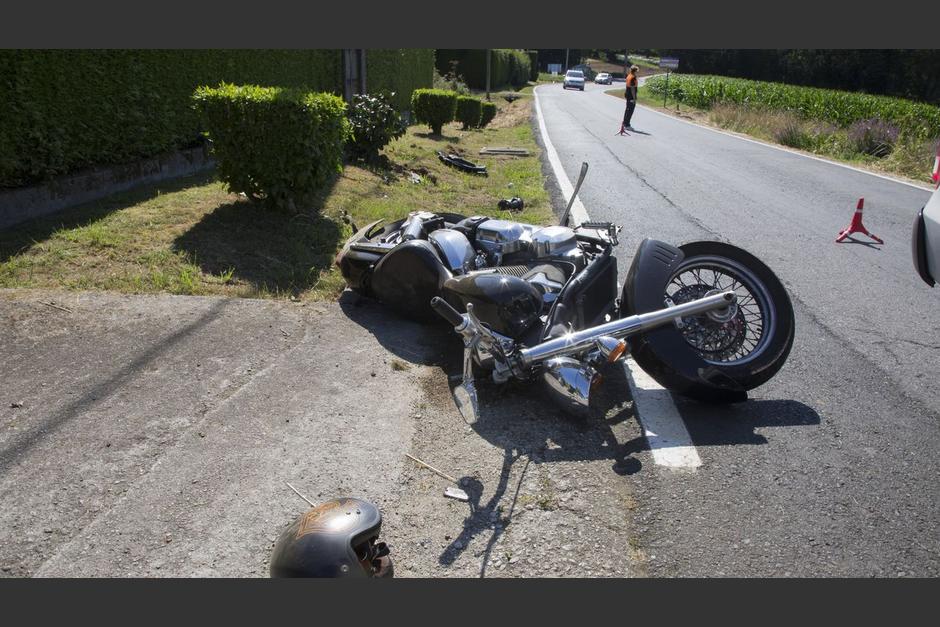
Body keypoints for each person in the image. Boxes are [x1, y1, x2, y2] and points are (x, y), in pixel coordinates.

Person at [622, 65, 639, 130]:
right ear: (635, 71)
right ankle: (627, 125)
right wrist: (634, 98)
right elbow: (632, 89)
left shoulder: (629, 76)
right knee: (630, 110)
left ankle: (624, 123)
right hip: (631, 96)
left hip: (627, 94)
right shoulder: (633, 77)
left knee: (627, 110)